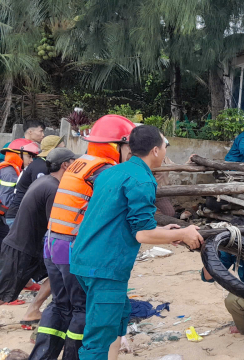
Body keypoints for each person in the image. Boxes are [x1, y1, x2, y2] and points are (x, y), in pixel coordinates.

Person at [69, 125, 204, 360]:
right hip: (105, 267)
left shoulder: (112, 172)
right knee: (98, 338)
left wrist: (163, 230)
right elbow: (142, 234)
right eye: (164, 147)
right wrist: (182, 234)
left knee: (117, 320)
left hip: (85, 258)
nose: (164, 152)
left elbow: (119, 219)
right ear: (154, 150)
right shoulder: (143, 179)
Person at [30, 115, 138, 360]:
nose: (131, 152)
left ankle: (41, 356)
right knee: (83, 310)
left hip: (52, 243)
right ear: (116, 145)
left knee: (60, 304)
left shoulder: (81, 162)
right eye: (128, 146)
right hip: (72, 247)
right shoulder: (103, 170)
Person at [0, 149, 76, 333]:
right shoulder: (53, 187)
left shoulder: (45, 181)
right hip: (21, 246)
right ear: (65, 165)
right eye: (74, 163)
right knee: (4, 292)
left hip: (31, 245)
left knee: (56, 273)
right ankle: (33, 310)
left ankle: (33, 310)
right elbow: (56, 223)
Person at [6, 135, 65, 222]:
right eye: (63, 148)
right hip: (20, 216)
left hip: (24, 214)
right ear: (54, 150)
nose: (65, 151)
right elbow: (41, 194)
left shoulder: (43, 165)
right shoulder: (41, 167)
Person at [0, 139, 40, 239]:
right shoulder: (9, 172)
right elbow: (8, 200)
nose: (31, 160)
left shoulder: (14, 169)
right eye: (29, 156)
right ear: (18, 154)